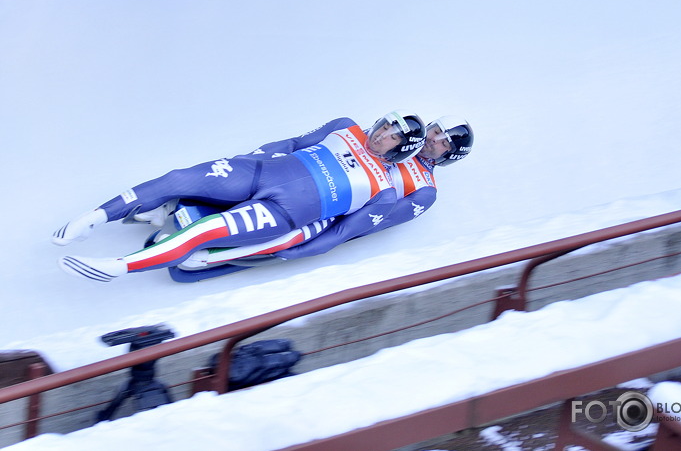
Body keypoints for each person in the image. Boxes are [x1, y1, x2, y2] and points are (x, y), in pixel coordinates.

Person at [56, 111, 426, 282]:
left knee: (204, 232)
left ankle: (120, 266)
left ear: (401, 149)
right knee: (179, 177)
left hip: (282, 212)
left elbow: (343, 233)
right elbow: (295, 143)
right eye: (384, 128)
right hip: (261, 172)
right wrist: (254, 156)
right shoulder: (344, 128)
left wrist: (292, 251)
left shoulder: (385, 192)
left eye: (393, 137)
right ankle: (95, 217)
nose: (381, 136)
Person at [167, 115, 474, 281]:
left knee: (289, 230)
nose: (433, 141)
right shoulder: (390, 136)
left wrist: (328, 240)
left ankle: (211, 256)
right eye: (434, 132)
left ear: (450, 156)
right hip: (306, 176)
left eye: (443, 142)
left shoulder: (426, 189)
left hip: (335, 208)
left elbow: (377, 220)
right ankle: (185, 196)